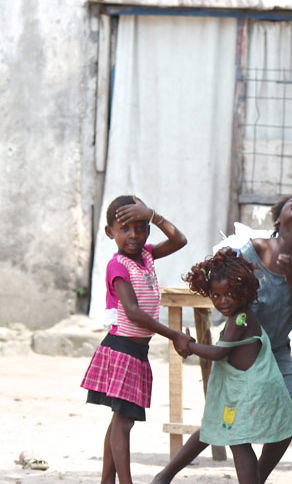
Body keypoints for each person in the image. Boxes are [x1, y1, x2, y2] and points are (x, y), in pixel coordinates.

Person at [155, 193, 292, 483]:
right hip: (242, 343)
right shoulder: (255, 249)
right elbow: (229, 289)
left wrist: (291, 279)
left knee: (288, 412)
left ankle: (256, 477)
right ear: (277, 218)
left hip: (277, 349)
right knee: (223, 419)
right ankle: (165, 475)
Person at [81, 195, 190, 484]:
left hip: (134, 352)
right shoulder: (118, 265)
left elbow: (180, 240)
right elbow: (133, 312)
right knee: (123, 421)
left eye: (140, 227)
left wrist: (154, 215)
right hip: (122, 350)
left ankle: (108, 480)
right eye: (124, 229)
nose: (133, 235)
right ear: (110, 233)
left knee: (119, 420)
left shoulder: (147, 256)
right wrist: (174, 335)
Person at [170, 248, 292, 484]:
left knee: (238, 441)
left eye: (229, 294)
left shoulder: (242, 318)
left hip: (249, 392)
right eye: (216, 295)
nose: (223, 301)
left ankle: (164, 477)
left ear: (243, 291)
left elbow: (219, 352)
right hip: (242, 390)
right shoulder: (239, 317)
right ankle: (164, 476)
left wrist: (189, 345)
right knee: (216, 430)